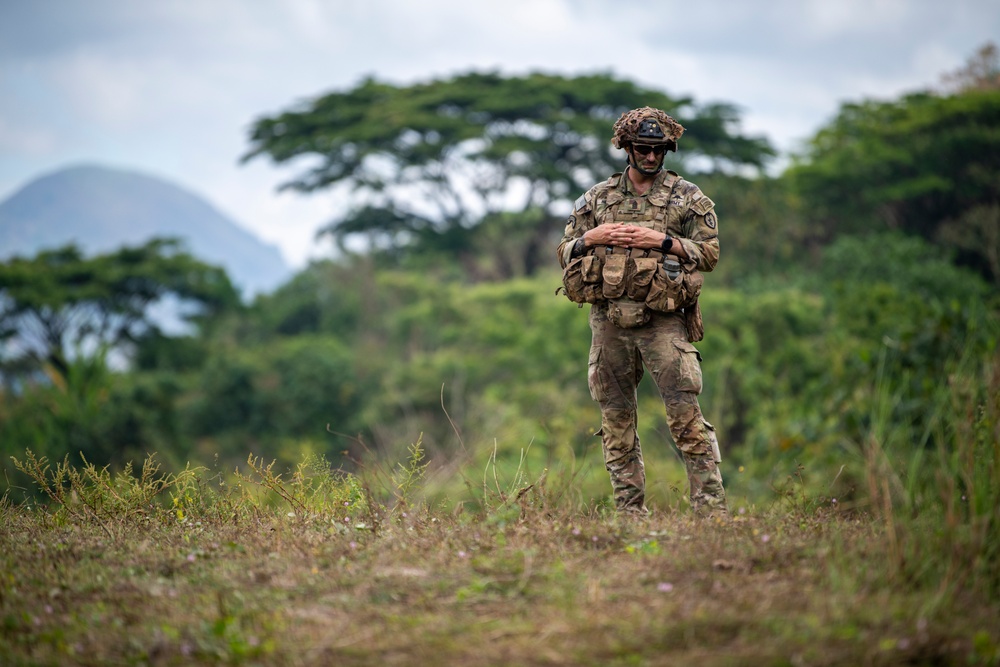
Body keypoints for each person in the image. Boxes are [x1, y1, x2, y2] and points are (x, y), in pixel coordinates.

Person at [556, 106, 727, 516]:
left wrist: (662, 242)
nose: (650, 157)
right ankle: (630, 516)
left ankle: (712, 514)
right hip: (609, 321)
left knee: (685, 417)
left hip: (663, 322)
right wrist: (589, 239)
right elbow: (563, 252)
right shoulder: (597, 198)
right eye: (642, 149)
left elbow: (710, 254)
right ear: (626, 148)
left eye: (659, 150)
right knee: (616, 422)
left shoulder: (687, 197)